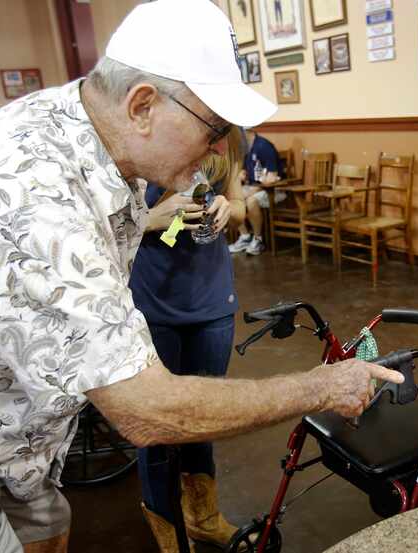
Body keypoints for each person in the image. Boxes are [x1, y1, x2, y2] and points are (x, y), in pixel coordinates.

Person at [0, 2, 402, 553]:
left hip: (23, 442)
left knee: (48, 533)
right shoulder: (31, 194)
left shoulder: (103, 140)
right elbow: (144, 410)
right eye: (215, 128)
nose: (222, 149)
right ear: (142, 106)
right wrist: (319, 386)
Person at [128, 134, 246, 549]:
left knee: (202, 415)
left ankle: (203, 517)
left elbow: (241, 200)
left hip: (212, 301)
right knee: (159, 425)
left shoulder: (231, 135)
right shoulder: (136, 137)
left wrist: (230, 208)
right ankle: (170, 534)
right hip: (154, 302)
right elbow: (94, 225)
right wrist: (152, 218)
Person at [228, 128, 285, 256]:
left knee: (251, 201)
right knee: (231, 198)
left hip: (274, 190)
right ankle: (245, 236)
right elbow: (245, 172)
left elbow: (272, 178)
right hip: (253, 186)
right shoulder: (245, 148)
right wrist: (241, 174)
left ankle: (258, 239)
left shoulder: (264, 146)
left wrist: (253, 190)